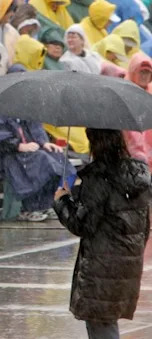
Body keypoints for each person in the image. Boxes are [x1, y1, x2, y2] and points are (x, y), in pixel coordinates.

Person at [54, 128, 151, 338]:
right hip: (128, 263)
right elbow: (144, 227)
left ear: (95, 143)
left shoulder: (99, 178)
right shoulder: (138, 176)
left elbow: (81, 224)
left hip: (101, 264)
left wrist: (63, 200)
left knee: (101, 326)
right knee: (107, 322)